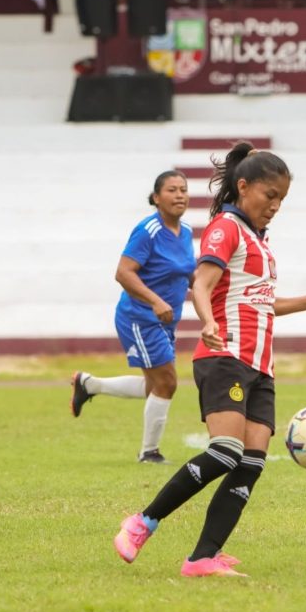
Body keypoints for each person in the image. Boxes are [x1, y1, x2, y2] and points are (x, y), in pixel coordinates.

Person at [112, 143, 306, 577]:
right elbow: (201, 285)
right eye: (269, 195)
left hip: (261, 366)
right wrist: (206, 321)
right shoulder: (226, 227)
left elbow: (263, 303)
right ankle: (142, 522)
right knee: (225, 453)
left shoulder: (260, 241)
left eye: (282, 198)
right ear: (243, 187)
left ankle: (202, 557)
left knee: (251, 463)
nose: (275, 206)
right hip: (224, 356)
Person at [71, 171, 195, 464]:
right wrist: (154, 301)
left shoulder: (186, 231)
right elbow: (123, 272)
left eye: (183, 190)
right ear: (156, 198)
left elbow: (188, 271)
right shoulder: (148, 231)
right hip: (140, 316)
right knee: (167, 383)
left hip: (165, 319)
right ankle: (149, 453)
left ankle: (89, 385)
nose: (179, 195)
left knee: (155, 386)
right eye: (172, 190)